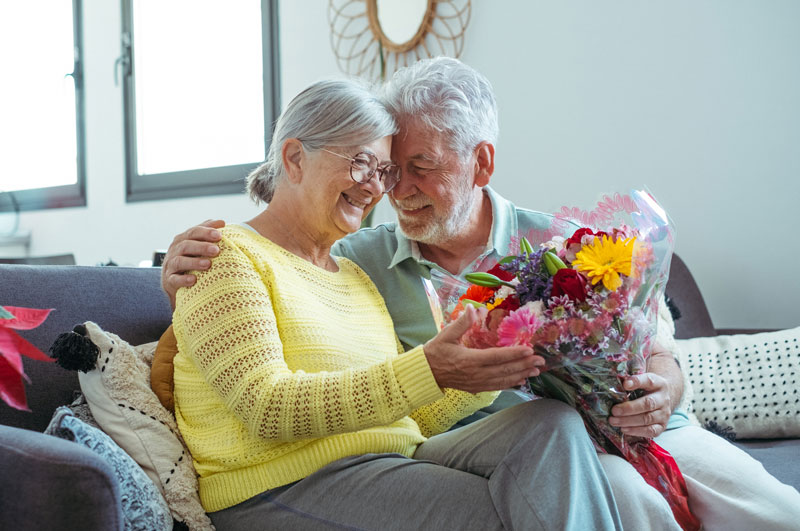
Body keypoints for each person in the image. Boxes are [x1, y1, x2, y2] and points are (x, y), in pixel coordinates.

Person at [163, 59, 800, 530]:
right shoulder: (356, 255)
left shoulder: (557, 242)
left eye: (414, 166)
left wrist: (663, 382)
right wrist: (171, 273)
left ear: (481, 163)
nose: (390, 188)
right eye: (381, 166)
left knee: (773, 510)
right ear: (295, 158)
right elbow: (239, 349)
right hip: (350, 465)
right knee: (620, 500)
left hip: (616, 427)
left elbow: (651, 333)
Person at [169, 77, 626, 530]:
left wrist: (480, 366)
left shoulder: (353, 276)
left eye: (382, 171)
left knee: (552, 425)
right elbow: (266, 405)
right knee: (513, 511)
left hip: (390, 458)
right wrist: (429, 368)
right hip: (282, 484)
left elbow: (408, 417)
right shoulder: (225, 255)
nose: (376, 188)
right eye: (360, 163)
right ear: (294, 158)